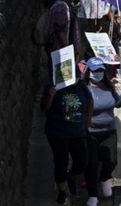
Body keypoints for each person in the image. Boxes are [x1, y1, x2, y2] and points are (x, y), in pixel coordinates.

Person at [85, 57, 121, 206]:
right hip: (90, 133)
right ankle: (92, 195)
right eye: (94, 71)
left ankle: (104, 178)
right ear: (88, 72)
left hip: (109, 131)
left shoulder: (108, 87)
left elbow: (117, 104)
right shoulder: (84, 88)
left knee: (111, 161)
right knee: (91, 164)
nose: (97, 73)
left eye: (100, 71)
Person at [42, 74, 92, 206]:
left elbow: (89, 99)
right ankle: (63, 192)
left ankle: (70, 178)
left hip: (77, 132)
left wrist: (88, 119)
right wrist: (51, 95)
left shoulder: (81, 86)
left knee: (82, 160)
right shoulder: (52, 86)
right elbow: (44, 108)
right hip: (57, 133)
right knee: (61, 162)